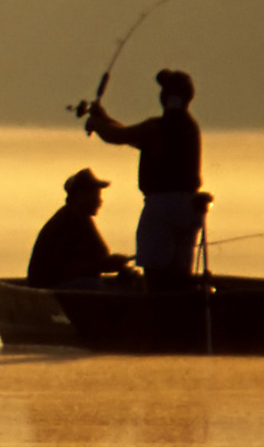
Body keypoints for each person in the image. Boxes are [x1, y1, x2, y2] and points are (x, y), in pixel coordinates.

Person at [84, 69, 210, 291]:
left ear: (165, 98)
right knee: (180, 277)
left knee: (155, 275)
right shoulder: (191, 128)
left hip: (161, 209)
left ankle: (156, 320)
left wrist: (96, 123)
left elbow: (118, 136)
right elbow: (132, 134)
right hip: (189, 209)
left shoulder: (156, 128)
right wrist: (104, 118)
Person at [26, 168, 133, 288]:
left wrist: (116, 265)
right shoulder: (63, 223)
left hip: (69, 284)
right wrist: (107, 263)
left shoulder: (83, 220)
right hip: (51, 288)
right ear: (80, 196)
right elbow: (66, 269)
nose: (100, 201)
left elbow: (100, 257)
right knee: (92, 286)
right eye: (95, 195)